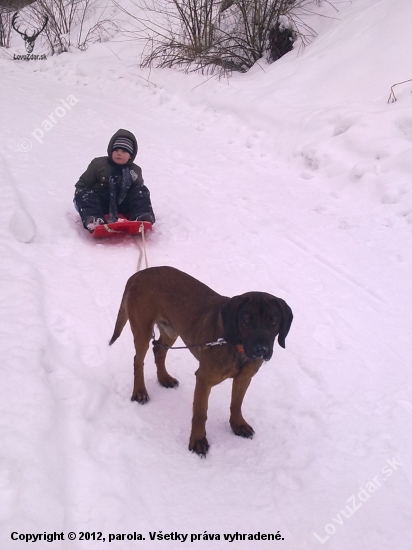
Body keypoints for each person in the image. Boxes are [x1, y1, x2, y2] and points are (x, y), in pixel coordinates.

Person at [74, 129, 155, 232]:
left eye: (124, 151)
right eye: (116, 150)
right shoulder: (99, 165)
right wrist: (82, 198)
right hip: (100, 203)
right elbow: (82, 185)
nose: (119, 154)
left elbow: (138, 194)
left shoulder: (135, 171)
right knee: (84, 193)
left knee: (141, 190)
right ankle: (94, 219)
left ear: (131, 155)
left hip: (122, 204)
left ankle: (141, 216)